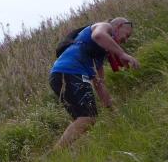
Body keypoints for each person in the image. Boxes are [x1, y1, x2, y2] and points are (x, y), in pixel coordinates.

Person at [49, 17, 140, 150]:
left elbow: (99, 84)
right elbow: (98, 35)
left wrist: (112, 111)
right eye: (126, 35)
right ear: (119, 26)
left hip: (65, 74)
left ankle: (60, 153)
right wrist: (122, 54)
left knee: (86, 119)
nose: (125, 40)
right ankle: (55, 154)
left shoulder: (99, 53)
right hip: (68, 72)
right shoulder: (104, 26)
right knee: (87, 118)